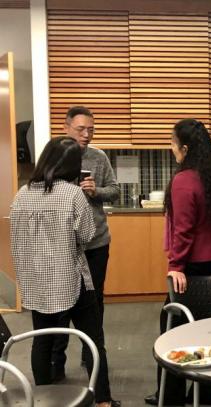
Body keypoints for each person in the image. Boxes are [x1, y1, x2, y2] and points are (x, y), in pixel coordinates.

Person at [10, 137, 120, 407]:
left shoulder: (22, 194)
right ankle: (103, 400)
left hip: (37, 281)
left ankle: (43, 399)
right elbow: (86, 235)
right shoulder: (72, 195)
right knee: (93, 340)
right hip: (73, 280)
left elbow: (16, 237)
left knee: (42, 341)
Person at [145, 118, 211, 406]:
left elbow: (184, 229)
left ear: (183, 148)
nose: (171, 150)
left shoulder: (184, 181)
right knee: (208, 337)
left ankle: (169, 398)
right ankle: (207, 398)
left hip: (191, 270)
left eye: (172, 144)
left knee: (172, 335)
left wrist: (176, 266)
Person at [52, 106, 120, 380]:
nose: (87, 134)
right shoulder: (54, 156)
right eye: (81, 129)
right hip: (63, 245)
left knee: (95, 301)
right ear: (66, 127)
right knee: (60, 303)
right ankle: (56, 360)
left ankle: (90, 354)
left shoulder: (99, 157)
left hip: (96, 243)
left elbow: (114, 191)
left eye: (91, 129)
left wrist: (96, 191)